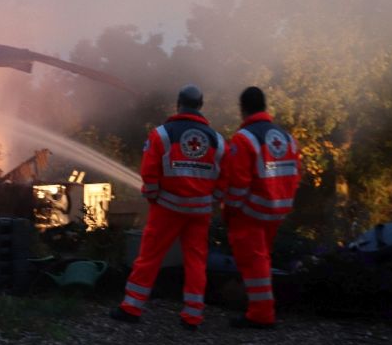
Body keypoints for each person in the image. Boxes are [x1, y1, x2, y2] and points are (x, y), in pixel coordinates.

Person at [111, 85, 225, 331]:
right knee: (196, 261)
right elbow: (224, 178)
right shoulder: (218, 140)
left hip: (167, 208)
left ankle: (132, 307)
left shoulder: (162, 134)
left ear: (178, 104)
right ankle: (192, 315)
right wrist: (212, 201)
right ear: (200, 106)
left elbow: (149, 171)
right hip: (200, 211)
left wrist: (153, 196)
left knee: (150, 257)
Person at [219, 86, 302, 329]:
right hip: (279, 208)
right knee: (263, 258)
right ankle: (260, 307)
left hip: (253, 211)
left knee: (254, 261)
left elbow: (238, 183)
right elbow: (296, 173)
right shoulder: (286, 137)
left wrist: (230, 211)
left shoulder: (244, 139)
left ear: (242, 109)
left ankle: (261, 314)